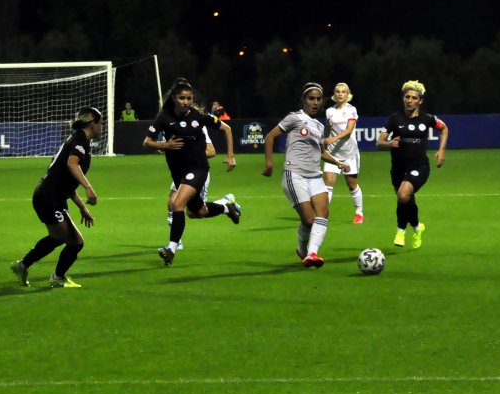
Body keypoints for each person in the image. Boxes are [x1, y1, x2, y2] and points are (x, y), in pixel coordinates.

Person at [143, 78, 241, 266]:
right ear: (174, 98)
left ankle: (171, 249)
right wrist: (165, 145)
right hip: (179, 174)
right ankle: (227, 207)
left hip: (198, 169)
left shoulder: (198, 118)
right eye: (182, 98)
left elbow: (226, 129)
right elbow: (146, 142)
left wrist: (231, 156)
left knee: (176, 203)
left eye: (188, 98)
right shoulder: (164, 118)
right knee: (198, 211)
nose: (186, 102)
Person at [10, 107, 103, 288]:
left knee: (76, 242)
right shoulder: (79, 139)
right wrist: (88, 188)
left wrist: (82, 207)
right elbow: (72, 165)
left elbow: (67, 182)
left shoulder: (80, 140)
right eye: (101, 123)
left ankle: (32, 268)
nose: (102, 127)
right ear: (93, 123)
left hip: (56, 197)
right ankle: (40, 271)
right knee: (61, 238)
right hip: (47, 196)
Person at [262, 82, 350, 268]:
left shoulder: (318, 125)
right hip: (295, 174)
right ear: (304, 100)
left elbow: (321, 152)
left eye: (318, 99)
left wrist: (338, 163)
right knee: (309, 220)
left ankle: (312, 253)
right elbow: (270, 137)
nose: (316, 102)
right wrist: (269, 164)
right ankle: (302, 249)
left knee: (323, 213)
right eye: (311, 98)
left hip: (315, 176)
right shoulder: (294, 118)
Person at [376, 80, 448, 249]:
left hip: (420, 167)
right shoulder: (394, 119)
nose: (409, 100)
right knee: (407, 201)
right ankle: (417, 227)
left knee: (402, 195)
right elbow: (379, 143)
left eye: (414, 97)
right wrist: (388, 144)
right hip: (398, 170)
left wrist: (441, 151)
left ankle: (400, 231)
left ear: (420, 101)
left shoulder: (428, 119)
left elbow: (444, 129)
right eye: (407, 97)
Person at [165, 126, 240, 250]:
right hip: (182, 172)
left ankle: (225, 204)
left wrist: (187, 153)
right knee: (172, 202)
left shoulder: (199, 124)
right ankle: (176, 243)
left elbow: (211, 151)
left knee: (194, 212)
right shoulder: (174, 123)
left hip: (197, 172)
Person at [323, 82, 364, 224]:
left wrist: (334, 138)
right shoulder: (329, 111)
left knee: (352, 184)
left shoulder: (351, 110)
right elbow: (328, 128)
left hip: (349, 153)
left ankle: (359, 213)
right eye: (338, 91)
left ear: (348, 95)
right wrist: (324, 140)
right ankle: (323, 214)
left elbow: (349, 130)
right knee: (328, 183)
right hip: (332, 153)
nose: (340, 94)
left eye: (343, 92)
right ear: (334, 95)